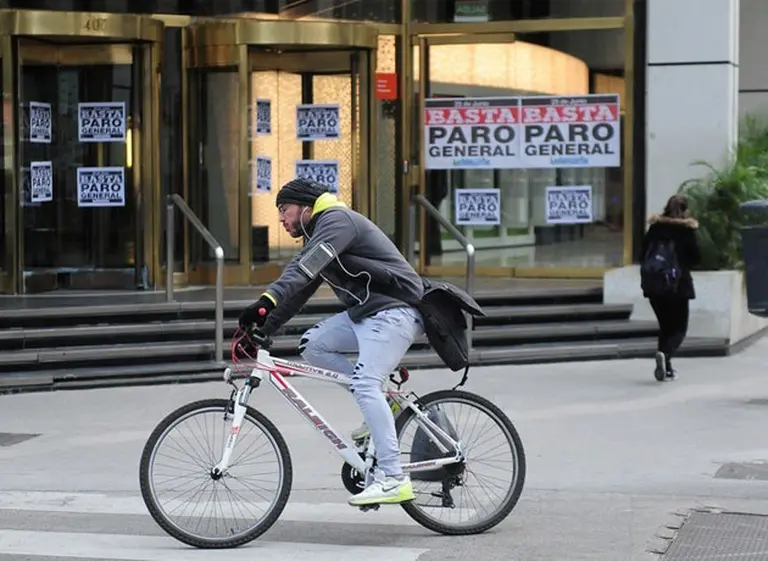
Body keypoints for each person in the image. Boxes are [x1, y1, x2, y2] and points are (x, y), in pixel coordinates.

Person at [238, 178, 425, 507]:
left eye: (284, 210)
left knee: (365, 384)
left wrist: (264, 302)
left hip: (396, 312)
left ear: (306, 208)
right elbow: (300, 289)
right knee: (314, 345)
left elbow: (304, 270)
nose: (281, 218)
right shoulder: (317, 235)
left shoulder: (337, 221)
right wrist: (265, 329)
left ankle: (394, 478)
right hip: (369, 314)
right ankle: (387, 400)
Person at [640, 194, 701, 381]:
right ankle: (665, 356)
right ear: (685, 210)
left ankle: (666, 366)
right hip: (677, 286)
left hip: (654, 285)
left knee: (665, 327)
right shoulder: (686, 231)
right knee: (679, 329)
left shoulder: (655, 228)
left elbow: (642, 253)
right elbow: (696, 258)